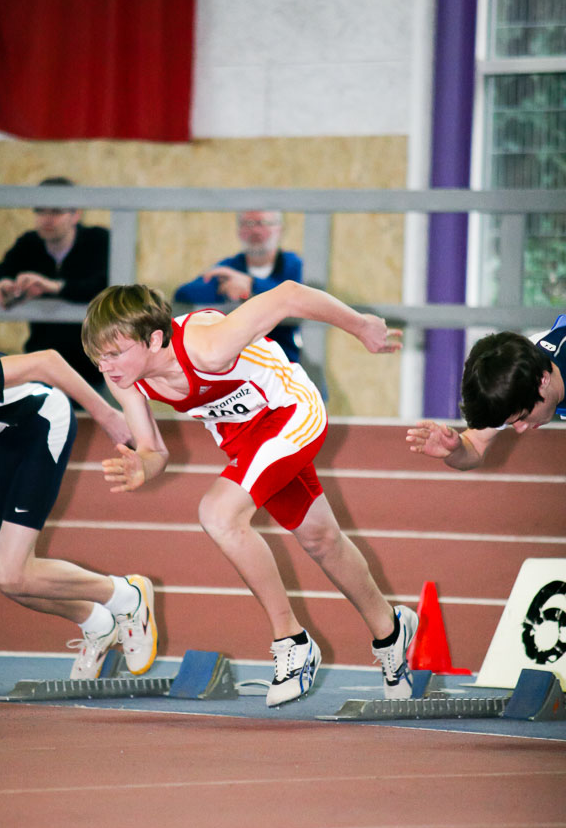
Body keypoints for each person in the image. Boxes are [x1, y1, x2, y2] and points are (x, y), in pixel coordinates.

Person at [81, 280, 418, 707]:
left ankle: (291, 640)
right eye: (97, 356)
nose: (105, 366)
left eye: (114, 353)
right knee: (321, 540)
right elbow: (154, 451)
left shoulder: (206, 346)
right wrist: (141, 467)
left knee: (219, 514)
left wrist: (360, 326)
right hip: (247, 442)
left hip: (291, 411)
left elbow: (289, 294)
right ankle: (390, 631)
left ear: (155, 339)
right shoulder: (126, 380)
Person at [0, 342, 161, 679]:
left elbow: (48, 361)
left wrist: (107, 415)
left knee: (9, 570)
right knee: (12, 580)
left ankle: (127, 595)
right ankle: (97, 623)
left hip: (43, 422)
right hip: (3, 438)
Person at [0, 177, 108, 386]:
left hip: (93, 363)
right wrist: (2, 286)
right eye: (40, 211)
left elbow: (106, 288)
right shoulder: (29, 243)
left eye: (55, 211)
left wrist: (54, 286)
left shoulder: (98, 240)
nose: (47, 219)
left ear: (76, 214)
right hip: (42, 363)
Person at [406, 316, 566, 469]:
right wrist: (456, 449)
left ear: (543, 380)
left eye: (523, 417)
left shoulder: (524, 379)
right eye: (512, 421)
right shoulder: (517, 376)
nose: (520, 428)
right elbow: (475, 445)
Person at [173, 211, 303, 363]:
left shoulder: (295, 266)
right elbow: (184, 295)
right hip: (239, 363)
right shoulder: (229, 268)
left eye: (263, 223)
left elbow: (300, 298)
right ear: (239, 231)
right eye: (248, 224)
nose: (255, 231)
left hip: (286, 359)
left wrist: (251, 286)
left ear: (280, 229)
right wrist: (225, 292)